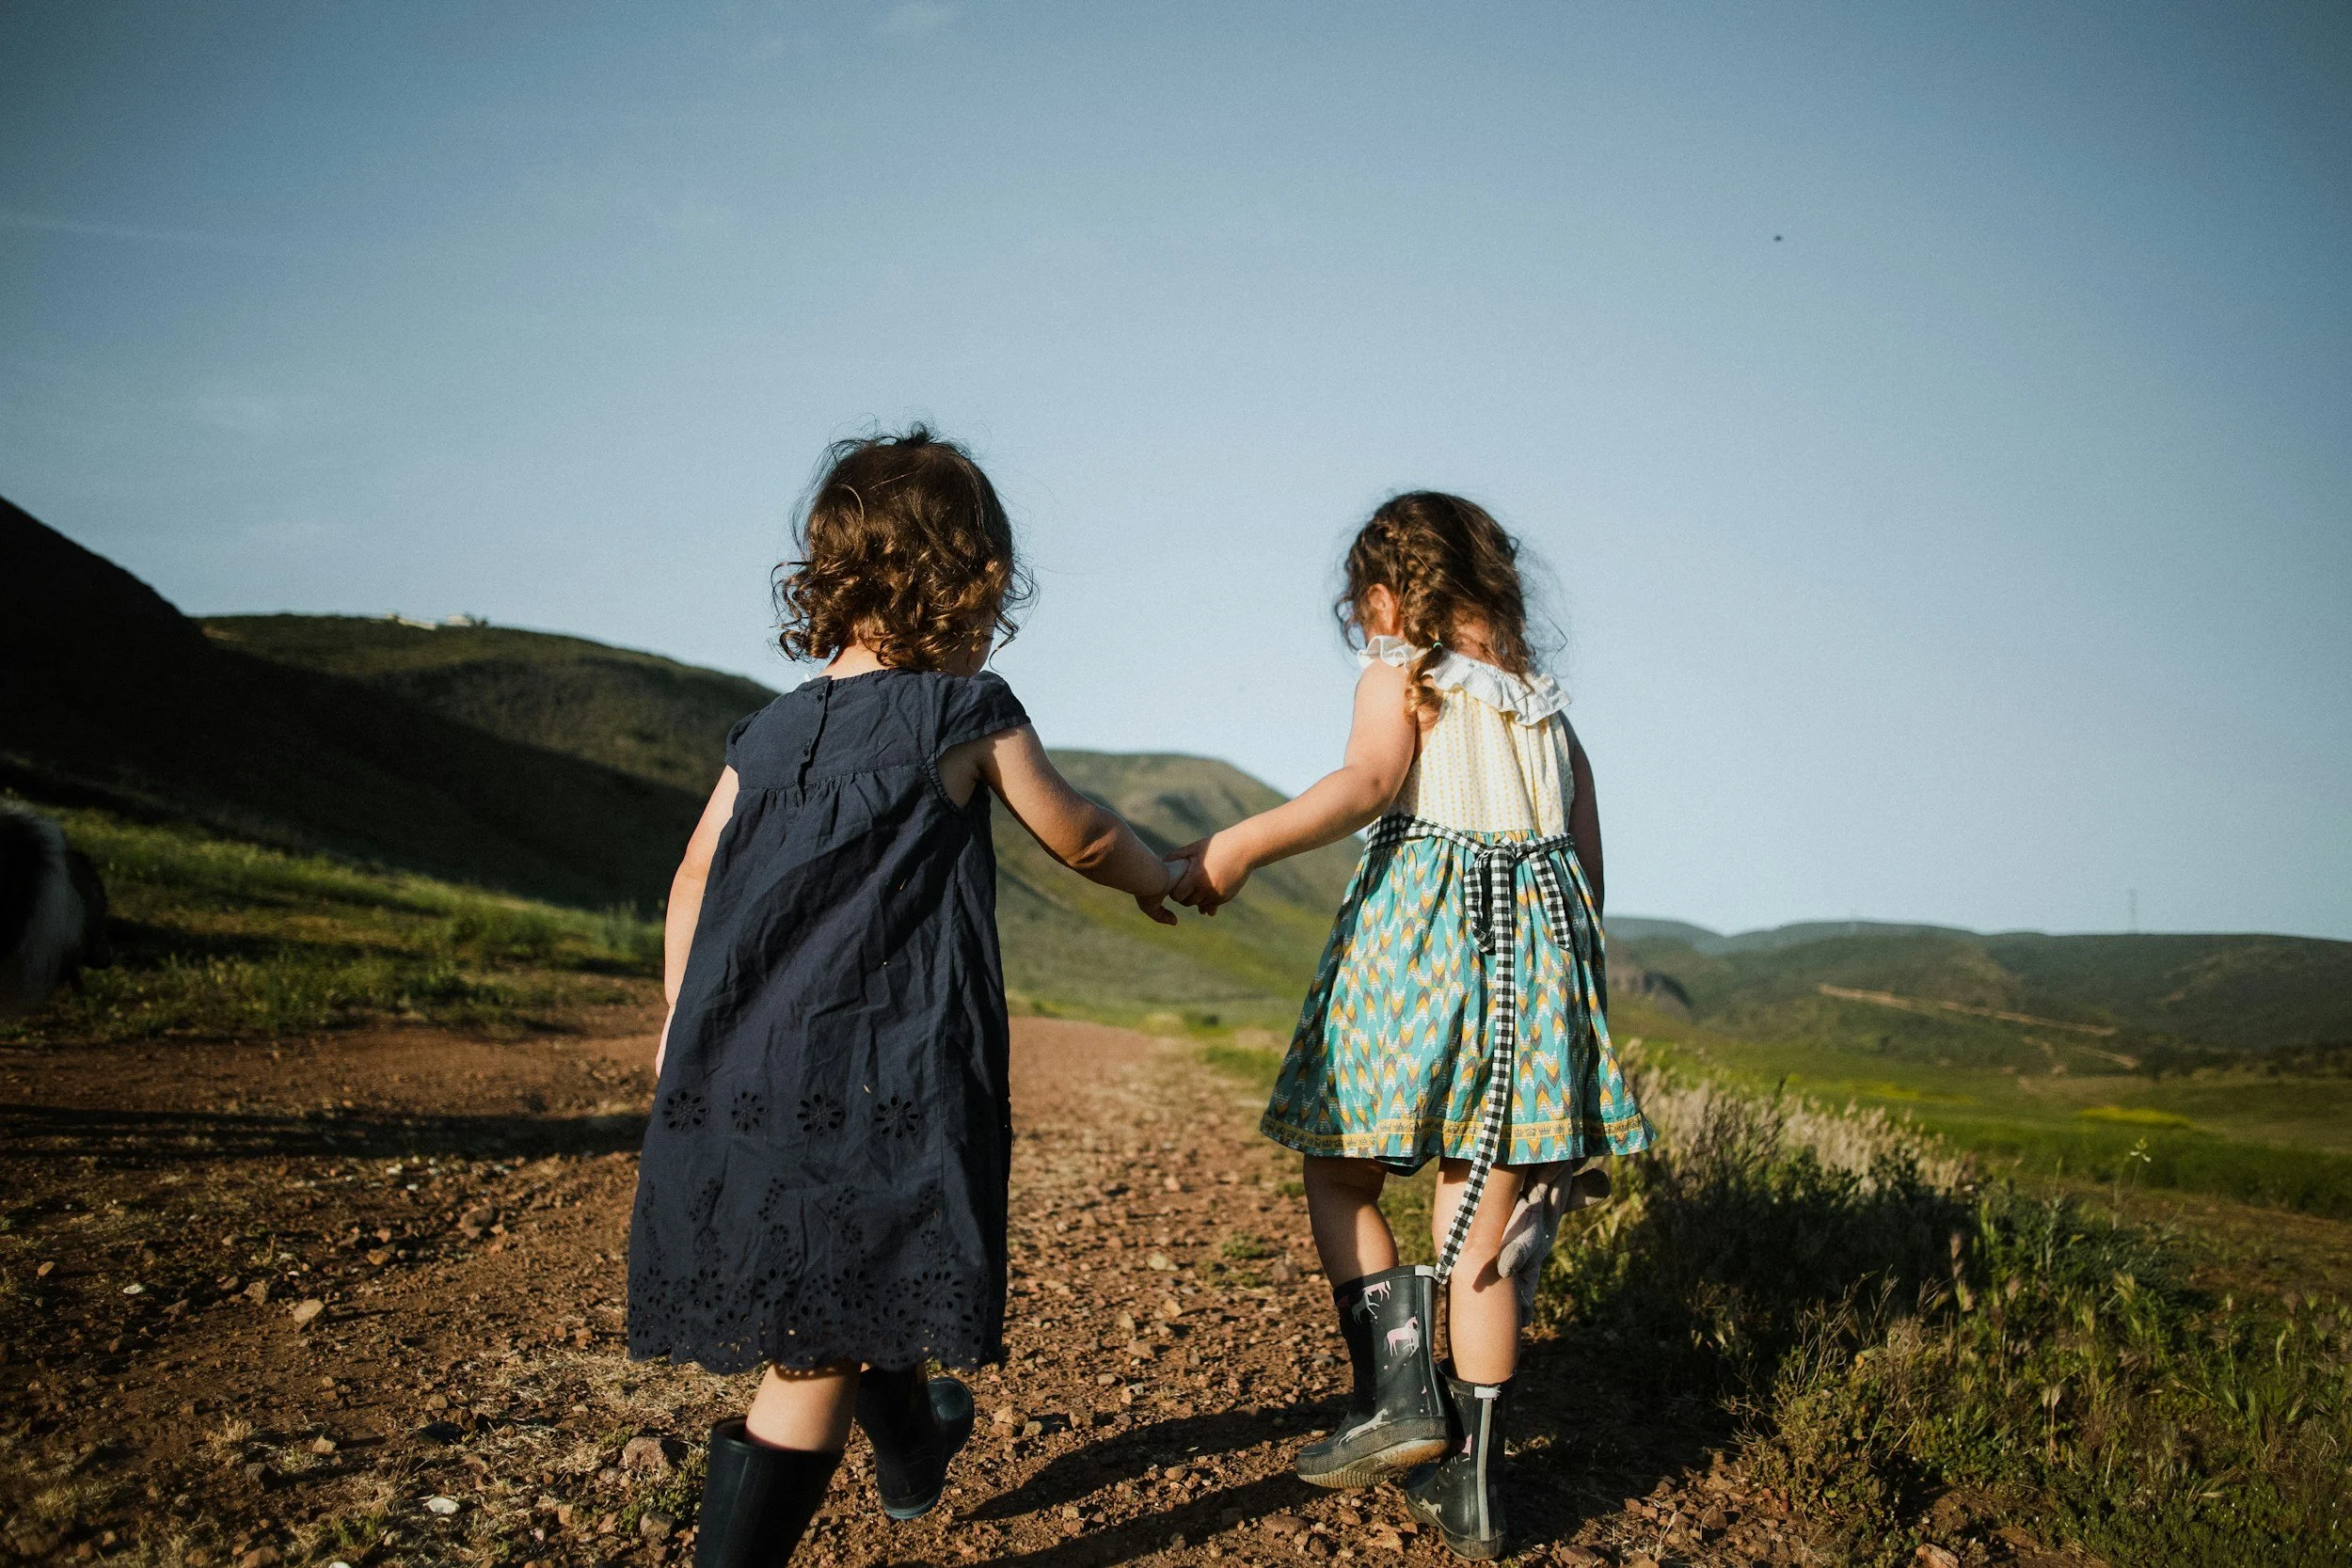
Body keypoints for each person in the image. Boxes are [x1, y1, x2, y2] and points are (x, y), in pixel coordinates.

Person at [627, 428, 1180, 1568]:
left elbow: (690, 877)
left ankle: (917, 1441)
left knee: (843, 1272)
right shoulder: (962, 710)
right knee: (813, 1344)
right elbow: (1076, 834)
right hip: (884, 1064)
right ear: (965, 578)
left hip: (738, 1062)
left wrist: (689, 1032)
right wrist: (1166, 873)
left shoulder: (767, 731)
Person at [1169, 492, 1651, 1560]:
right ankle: (1475, 1489)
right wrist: (1564, 1012)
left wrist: (1237, 847)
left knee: (1340, 1169)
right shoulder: (1546, 709)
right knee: (1479, 1238)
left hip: (1417, 958)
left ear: (1392, 593)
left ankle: (1396, 1390)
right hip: (1537, 979)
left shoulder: (1403, 675)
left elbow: (1367, 782)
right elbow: (1587, 871)